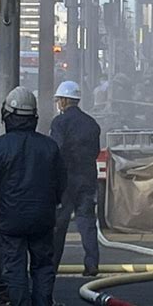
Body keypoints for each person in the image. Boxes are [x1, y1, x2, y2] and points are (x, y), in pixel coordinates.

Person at [0, 87, 66, 306]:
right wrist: (52, 206)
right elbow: (61, 184)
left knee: (14, 269)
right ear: (34, 117)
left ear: (7, 116)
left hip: (10, 220)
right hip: (42, 218)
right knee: (43, 267)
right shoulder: (49, 147)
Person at [51, 81, 101, 276]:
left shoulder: (59, 123)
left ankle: (52, 266)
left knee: (59, 224)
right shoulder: (91, 123)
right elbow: (95, 151)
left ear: (64, 100)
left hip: (65, 180)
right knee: (87, 221)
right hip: (87, 177)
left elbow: (57, 150)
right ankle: (91, 263)